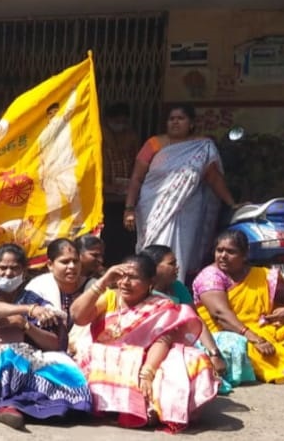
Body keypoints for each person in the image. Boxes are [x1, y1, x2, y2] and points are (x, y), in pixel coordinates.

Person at [70, 255, 219, 431]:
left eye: (133, 277)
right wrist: (103, 281)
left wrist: (147, 373)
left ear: (151, 281)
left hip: (148, 361)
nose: (125, 283)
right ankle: (130, 404)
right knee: (107, 355)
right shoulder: (111, 297)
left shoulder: (162, 305)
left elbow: (162, 341)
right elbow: (78, 316)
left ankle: (152, 406)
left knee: (193, 359)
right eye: (121, 276)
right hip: (109, 360)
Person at [0, 244, 91, 430]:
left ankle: (15, 406)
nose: (8, 273)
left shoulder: (34, 298)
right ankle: (4, 405)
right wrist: (28, 310)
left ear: (24, 272)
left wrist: (24, 324)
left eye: (15, 268)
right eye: (2, 268)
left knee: (58, 362)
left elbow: (54, 344)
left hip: (21, 357)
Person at [125, 105, 236, 280]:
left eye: (180, 118)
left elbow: (214, 178)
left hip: (187, 210)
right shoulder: (154, 143)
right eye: (171, 119)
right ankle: (148, 285)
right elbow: (137, 178)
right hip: (153, 208)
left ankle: (176, 287)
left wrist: (232, 204)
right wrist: (129, 208)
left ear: (191, 123)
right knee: (152, 250)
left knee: (180, 254)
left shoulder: (202, 146)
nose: (175, 122)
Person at [193, 231, 284, 385]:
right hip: (224, 330)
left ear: (244, 255)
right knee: (246, 346)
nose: (223, 256)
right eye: (219, 250)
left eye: (230, 252)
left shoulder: (261, 275)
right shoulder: (210, 276)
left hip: (258, 325)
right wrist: (256, 339)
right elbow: (220, 314)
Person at [142, 244, 245, 393]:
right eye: (171, 264)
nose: (177, 267)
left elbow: (195, 319)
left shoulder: (177, 287)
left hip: (187, 338)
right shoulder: (140, 291)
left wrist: (214, 353)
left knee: (234, 342)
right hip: (157, 344)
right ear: (154, 267)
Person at [38, 91, 82, 237]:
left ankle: (77, 223)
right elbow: (41, 156)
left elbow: (70, 107)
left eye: (56, 112)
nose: (53, 115)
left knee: (73, 193)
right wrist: (41, 174)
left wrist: (75, 88)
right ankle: (52, 232)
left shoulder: (63, 123)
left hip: (65, 166)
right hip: (49, 171)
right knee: (53, 203)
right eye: (50, 113)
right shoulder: (43, 134)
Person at [101, 103, 141, 264]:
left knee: (125, 236)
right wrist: (107, 187)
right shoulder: (99, 137)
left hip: (126, 197)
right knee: (107, 234)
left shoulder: (131, 136)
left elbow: (138, 162)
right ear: (108, 120)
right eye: (116, 121)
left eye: (123, 121)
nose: (120, 125)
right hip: (103, 197)